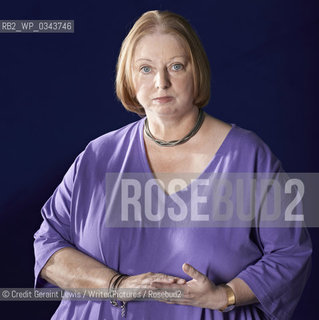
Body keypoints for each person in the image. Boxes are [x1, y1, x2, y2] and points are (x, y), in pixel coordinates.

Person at [34, 10, 312, 319]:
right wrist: (115, 285)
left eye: (176, 67)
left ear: (198, 73)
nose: (161, 82)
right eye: (145, 69)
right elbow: (47, 245)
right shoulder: (97, 156)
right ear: (128, 77)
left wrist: (226, 295)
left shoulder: (250, 156)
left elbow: (291, 253)